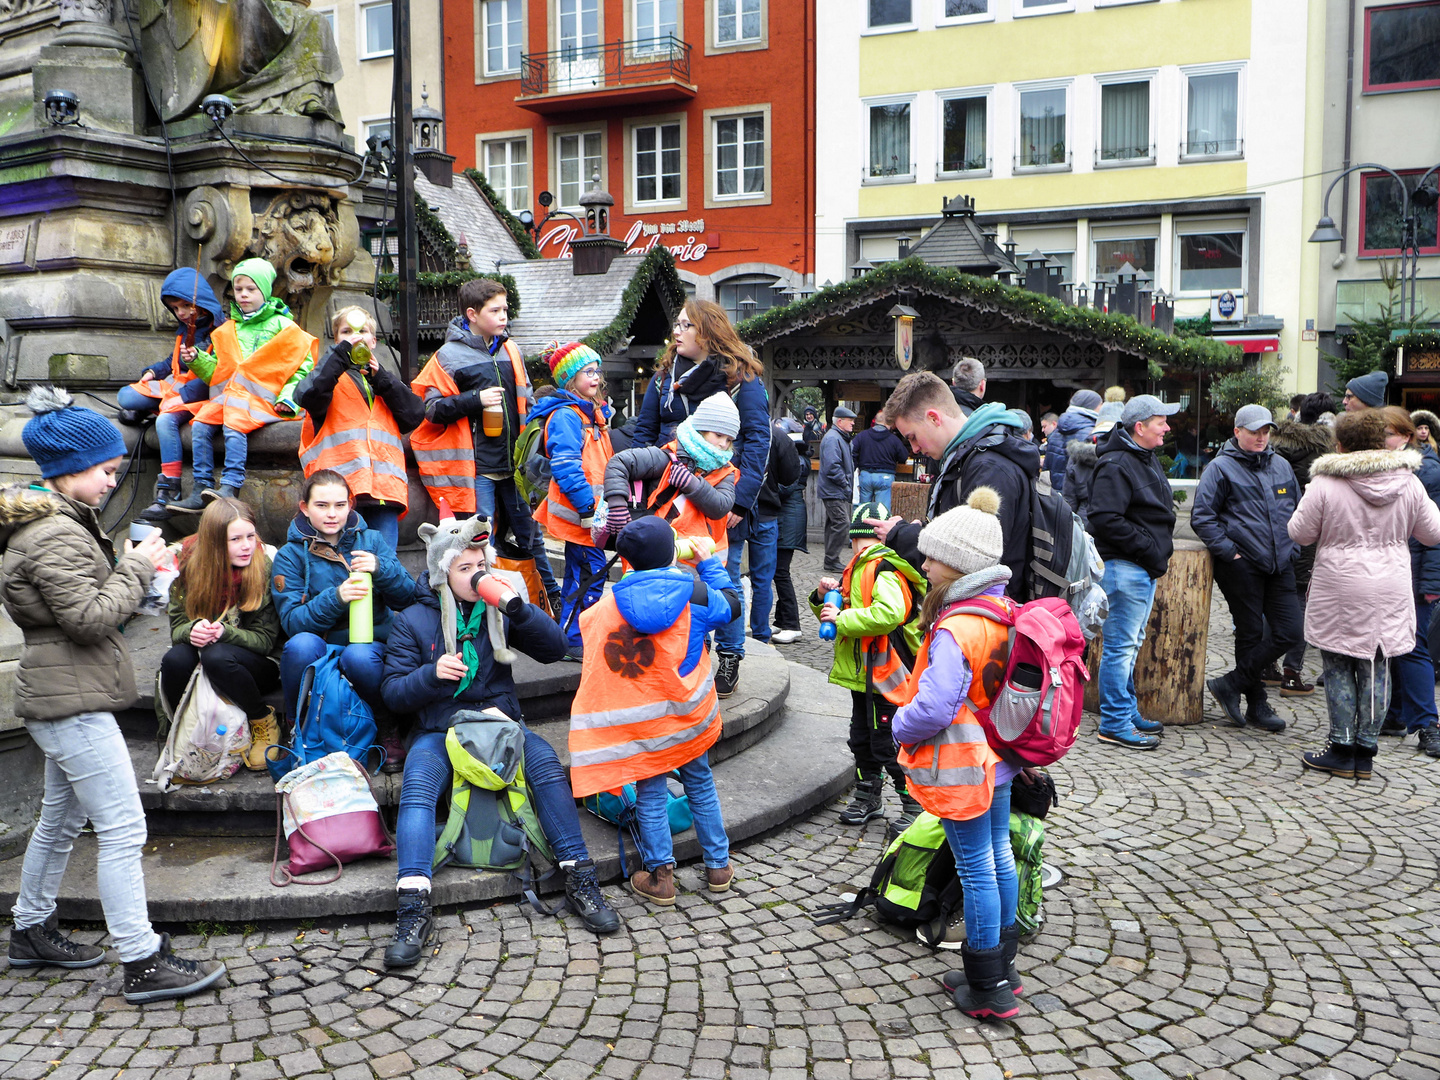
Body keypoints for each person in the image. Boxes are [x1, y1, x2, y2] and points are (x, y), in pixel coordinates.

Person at [1, 386, 226, 1002]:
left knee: (61, 818)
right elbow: (89, 620)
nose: (110, 481)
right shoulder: (53, 534)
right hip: (70, 700)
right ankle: (141, 959)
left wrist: (142, 577)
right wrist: (137, 569)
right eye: (104, 470)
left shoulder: (59, 524)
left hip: (66, 690)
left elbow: (94, 613)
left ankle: (30, 929)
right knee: (124, 828)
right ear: (69, 469)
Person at [380, 518, 620, 966]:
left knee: (546, 763)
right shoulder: (412, 619)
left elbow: (554, 649)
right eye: (464, 568)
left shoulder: (497, 607)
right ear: (441, 574)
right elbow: (393, 692)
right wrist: (430, 676)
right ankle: (413, 905)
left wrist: (516, 607)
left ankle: (579, 879)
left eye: (480, 565)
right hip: (441, 728)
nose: (475, 575)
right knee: (417, 785)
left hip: (499, 726)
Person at [892, 489, 1020, 1021]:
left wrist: (899, 724)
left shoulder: (954, 626)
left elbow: (935, 706)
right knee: (998, 855)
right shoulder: (1004, 611)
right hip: (1002, 756)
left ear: (960, 563)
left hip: (965, 765)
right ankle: (1004, 966)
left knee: (975, 868)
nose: (923, 563)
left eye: (932, 555)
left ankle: (987, 986)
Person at [568, 518, 739, 906]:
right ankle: (718, 867)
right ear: (671, 553)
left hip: (641, 724)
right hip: (686, 716)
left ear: (626, 561)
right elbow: (731, 605)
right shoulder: (694, 594)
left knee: (649, 792)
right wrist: (708, 562)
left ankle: (661, 877)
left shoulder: (606, 607)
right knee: (699, 781)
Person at [630, 298, 771, 700]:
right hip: (668, 492)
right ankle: (682, 648)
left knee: (720, 575)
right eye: (676, 324)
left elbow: (756, 440)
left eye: (685, 325)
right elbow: (646, 431)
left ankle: (729, 653)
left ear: (707, 331)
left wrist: (739, 503)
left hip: (721, 494)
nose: (676, 331)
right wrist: (641, 490)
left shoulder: (741, 378)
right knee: (669, 570)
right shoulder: (662, 377)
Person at [1292, 409, 1440, 779]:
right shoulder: (1408, 481)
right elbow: (1433, 533)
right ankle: (1366, 750)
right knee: (1379, 663)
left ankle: (1342, 748)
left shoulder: (1326, 483)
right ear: (1380, 440)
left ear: (1340, 444)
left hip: (1340, 585)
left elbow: (1299, 532)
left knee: (1339, 662)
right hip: (1390, 584)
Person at [411, 277, 560, 610]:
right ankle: (491, 610)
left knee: (532, 538)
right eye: (495, 310)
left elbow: (528, 403)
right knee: (483, 543)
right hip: (476, 470)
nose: (504, 316)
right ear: (472, 314)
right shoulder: (446, 357)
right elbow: (431, 410)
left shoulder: (511, 348)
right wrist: (475, 399)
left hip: (515, 467)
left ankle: (551, 604)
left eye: (505, 309)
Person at [874, 372, 1038, 602]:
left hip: (986, 619)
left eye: (912, 437)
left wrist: (901, 535)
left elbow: (973, 562)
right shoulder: (963, 461)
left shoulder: (987, 468)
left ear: (933, 418)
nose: (914, 449)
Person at [813, 503, 926, 831]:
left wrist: (843, 618)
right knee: (860, 737)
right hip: (863, 675)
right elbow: (849, 610)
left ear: (854, 539)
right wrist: (825, 599)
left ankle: (913, 802)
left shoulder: (884, 568)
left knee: (887, 741)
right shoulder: (859, 567)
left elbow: (890, 613)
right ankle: (868, 796)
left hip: (885, 675)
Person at [271, 470, 417, 724]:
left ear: (350, 505)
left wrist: (381, 569)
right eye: (322, 505)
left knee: (358, 656)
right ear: (304, 508)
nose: (332, 514)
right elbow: (293, 623)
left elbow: (408, 599)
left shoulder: (372, 540)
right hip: (321, 645)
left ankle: (386, 724)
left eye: (340, 505)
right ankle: (297, 726)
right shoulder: (289, 555)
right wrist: (336, 598)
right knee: (299, 646)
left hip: (373, 643)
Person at [170, 258, 317, 509]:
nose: (244, 295)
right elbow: (218, 373)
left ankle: (231, 485)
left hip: (266, 402)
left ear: (265, 291)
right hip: (231, 399)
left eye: (251, 289)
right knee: (201, 423)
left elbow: (302, 369)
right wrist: (197, 360)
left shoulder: (284, 326)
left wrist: (287, 400)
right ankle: (201, 487)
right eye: (239, 289)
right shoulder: (228, 329)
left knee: (233, 421)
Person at [1192, 405, 1301, 735]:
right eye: (1254, 431)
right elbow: (1202, 517)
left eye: (1266, 431)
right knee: (1251, 631)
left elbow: (1297, 510)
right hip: (1241, 565)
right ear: (1237, 431)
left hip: (1280, 564)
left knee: (1291, 631)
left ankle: (1231, 683)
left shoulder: (1281, 465)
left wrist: (1293, 546)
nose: (1261, 437)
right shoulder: (1220, 469)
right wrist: (1231, 553)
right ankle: (1256, 701)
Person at [159, 498, 281, 771]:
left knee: (217, 655)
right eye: (235, 539)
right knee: (175, 660)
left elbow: (265, 641)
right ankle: (183, 729)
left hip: (254, 664)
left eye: (250, 536)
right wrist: (192, 631)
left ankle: (261, 721)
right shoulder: (185, 561)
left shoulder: (265, 563)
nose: (247, 545)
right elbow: (176, 628)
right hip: (204, 658)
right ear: (213, 542)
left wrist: (225, 632)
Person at [1089, 394, 1180, 751]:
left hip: (1140, 567)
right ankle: (1114, 722)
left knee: (1130, 645)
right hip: (1125, 568)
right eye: (1161, 421)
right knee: (1119, 648)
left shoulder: (1143, 456)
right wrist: (1147, 546)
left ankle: (1125, 711)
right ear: (1139, 427)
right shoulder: (1116, 463)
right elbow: (1104, 519)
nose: (1167, 427)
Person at [294, 306, 425, 551]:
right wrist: (339, 356)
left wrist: (382, 379)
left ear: (373, 341)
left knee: (383, 570)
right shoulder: (328, 378)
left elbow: (415, 414)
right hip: (338, 498)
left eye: (362, 331)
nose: (355, 336)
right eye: (346, 332)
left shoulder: (382, 381)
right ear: (336, 341)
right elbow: (308, 394)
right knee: (342, 570)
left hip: (383, 495)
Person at [529, 342, 614, 657]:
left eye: (596, 370)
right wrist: (589, 508)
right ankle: (573, 639)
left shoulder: (591, 414)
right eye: (586, 372)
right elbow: (566, 468)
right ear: (569, 379)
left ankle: (574, 634)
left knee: (584, 576)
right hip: (582, 515)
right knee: (588, 576)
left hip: (590, 515)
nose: (595, 377)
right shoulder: (568, 416)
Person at [132, 268, 229, 519]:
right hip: (177, 392)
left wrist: (182, 396)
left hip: (202, 397)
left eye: (187, 305)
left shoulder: (222, 332)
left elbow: (219, 374)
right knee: (127, 397)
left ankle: (169, 488)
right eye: (175, 308)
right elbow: (172, 361)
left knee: (164, 420)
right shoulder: (183, 330)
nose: (182, 313)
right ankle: (143, 407)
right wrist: (153, 371)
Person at [1376, 408, 1440, 757]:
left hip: (1415, 574)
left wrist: (1430, 583)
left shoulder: (1426, 472)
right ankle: (1397, 715)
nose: (1382, 440)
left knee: (1413, 645)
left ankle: (1428, 724)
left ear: (1405, 435)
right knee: (1394, 645)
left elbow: (1435, 536)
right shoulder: (1384, 467)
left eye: (1388, 434)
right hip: (1389, 570)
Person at [1270, 392, 1336, 695]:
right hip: (1309, 535)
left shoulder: (1276, 445)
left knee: (1271, 600)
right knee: (1301, 601)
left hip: (1274, 531)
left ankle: (1264, 665)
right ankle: (1292, 671)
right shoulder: (1324, 451)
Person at [745, 422, 805, 646]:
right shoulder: (779, 439)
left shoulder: (734, 428)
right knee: (768, 577)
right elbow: (789, 478)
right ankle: (769, 629)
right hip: (770, 515)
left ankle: (789, 625)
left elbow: (790, 482)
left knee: (774, 574)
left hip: (761, 515)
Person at [772, 423, 810, 645]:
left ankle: (792, 625)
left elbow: (784, 489)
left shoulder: (797, 460)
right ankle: (781, 619)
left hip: (789, 517)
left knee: (781, 572)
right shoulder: (798, 458)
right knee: (779, 571)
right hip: (788, 516)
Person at [818, 406, 857, 572]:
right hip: (833, 489)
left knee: (833, 523)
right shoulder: (834, 438)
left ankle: (830, 560)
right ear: (840, 421)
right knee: (842, 523)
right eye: (850, 420)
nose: (853, 423)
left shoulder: (838, 437)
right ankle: (832, 560)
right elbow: (832, 466)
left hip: (834, 489)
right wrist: (845, 484)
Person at [1062, 413, 1116, 531]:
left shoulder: (1076, 456)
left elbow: (1069, 500)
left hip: (1084, 521)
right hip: (1115, 524)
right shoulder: (1123, 456)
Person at [850, 410, 910, 509]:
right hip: (885, 477)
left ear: (876, 421)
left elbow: (852, 451)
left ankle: (862, 524)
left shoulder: (862, 436)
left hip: (865, 476)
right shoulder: (894, 439)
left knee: (862, 510)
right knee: (883, 511)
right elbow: (903, 456)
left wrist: (856, 466)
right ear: (888, 423)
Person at [1044, 390, 1101, 494]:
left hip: (1055, 498)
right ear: (1091, 406)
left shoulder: (1055, 433)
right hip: (1079, 499)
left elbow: (1046, 469)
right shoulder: (1091, 433)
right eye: (1100, 404)